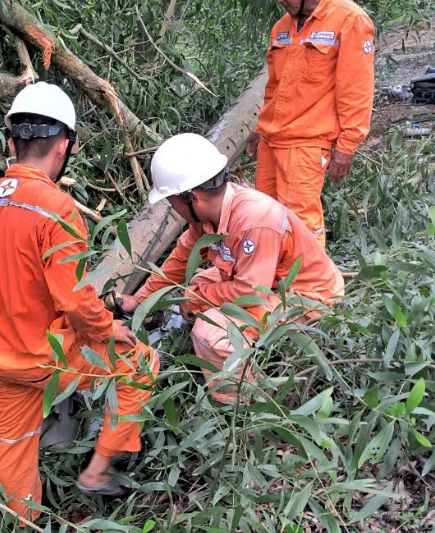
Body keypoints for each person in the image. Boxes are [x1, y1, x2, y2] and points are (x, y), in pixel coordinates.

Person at [0, 82, 160, 520]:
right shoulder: (57, 210)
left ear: (12, 143)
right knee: (141, 365)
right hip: (48, 359)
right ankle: (97, 470)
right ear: (63, 145)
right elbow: (75, 301)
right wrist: (110, 328)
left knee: (13, 446)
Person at [118, 133, 344, 403]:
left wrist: (197, 299)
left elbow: (251, 292)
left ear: (191, 197)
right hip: (267, 278)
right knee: (199, 281)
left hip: (305, 295)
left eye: (172, 201)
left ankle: (247, 406)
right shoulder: (210, 214)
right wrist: (139, 300)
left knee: (209, 333)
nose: (172, 208)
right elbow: (180, 261)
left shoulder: (254, 219)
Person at [244, 0, 376, 247]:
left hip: (306, 144)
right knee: (266, 216)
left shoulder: (350, 21)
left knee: (300, 223)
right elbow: (274, 87)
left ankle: (310, 290)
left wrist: (347, 146)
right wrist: (260, 129)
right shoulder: (282, 28)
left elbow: (356, 90)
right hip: (273, 141)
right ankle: (272, 280)